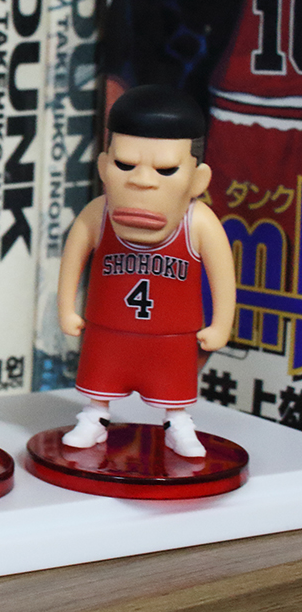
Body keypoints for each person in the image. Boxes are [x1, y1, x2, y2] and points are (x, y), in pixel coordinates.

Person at [58, 85, 236, 457]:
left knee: (174, 388)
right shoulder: (97, 214)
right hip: (108, 329)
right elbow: (72, 259)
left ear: (198, 179)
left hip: (171, 336)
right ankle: (94, 417)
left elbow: (222, 276)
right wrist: (66, 309)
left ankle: (178, 424)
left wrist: (221, 325)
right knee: (100, 379)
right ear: (104, 167)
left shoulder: (199, 223)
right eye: (125, 165)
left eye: (166, 170)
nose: (142, 181)